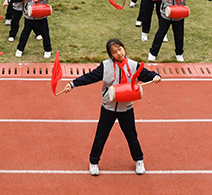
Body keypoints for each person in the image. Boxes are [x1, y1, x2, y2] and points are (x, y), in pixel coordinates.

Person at [63, 38, 161, 176]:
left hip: (126, 109)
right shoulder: (105, 66)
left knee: (131, 136)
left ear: (124, 48)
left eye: (120, 49)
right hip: (108, 108)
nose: (119, 53)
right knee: (101, 136)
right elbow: (90, 77)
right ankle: (93, 162)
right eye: (114, 52)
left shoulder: (133, 66)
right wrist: (73, 84)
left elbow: (147, 75)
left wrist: (156, 76)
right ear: (111, 55)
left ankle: (139, 160)